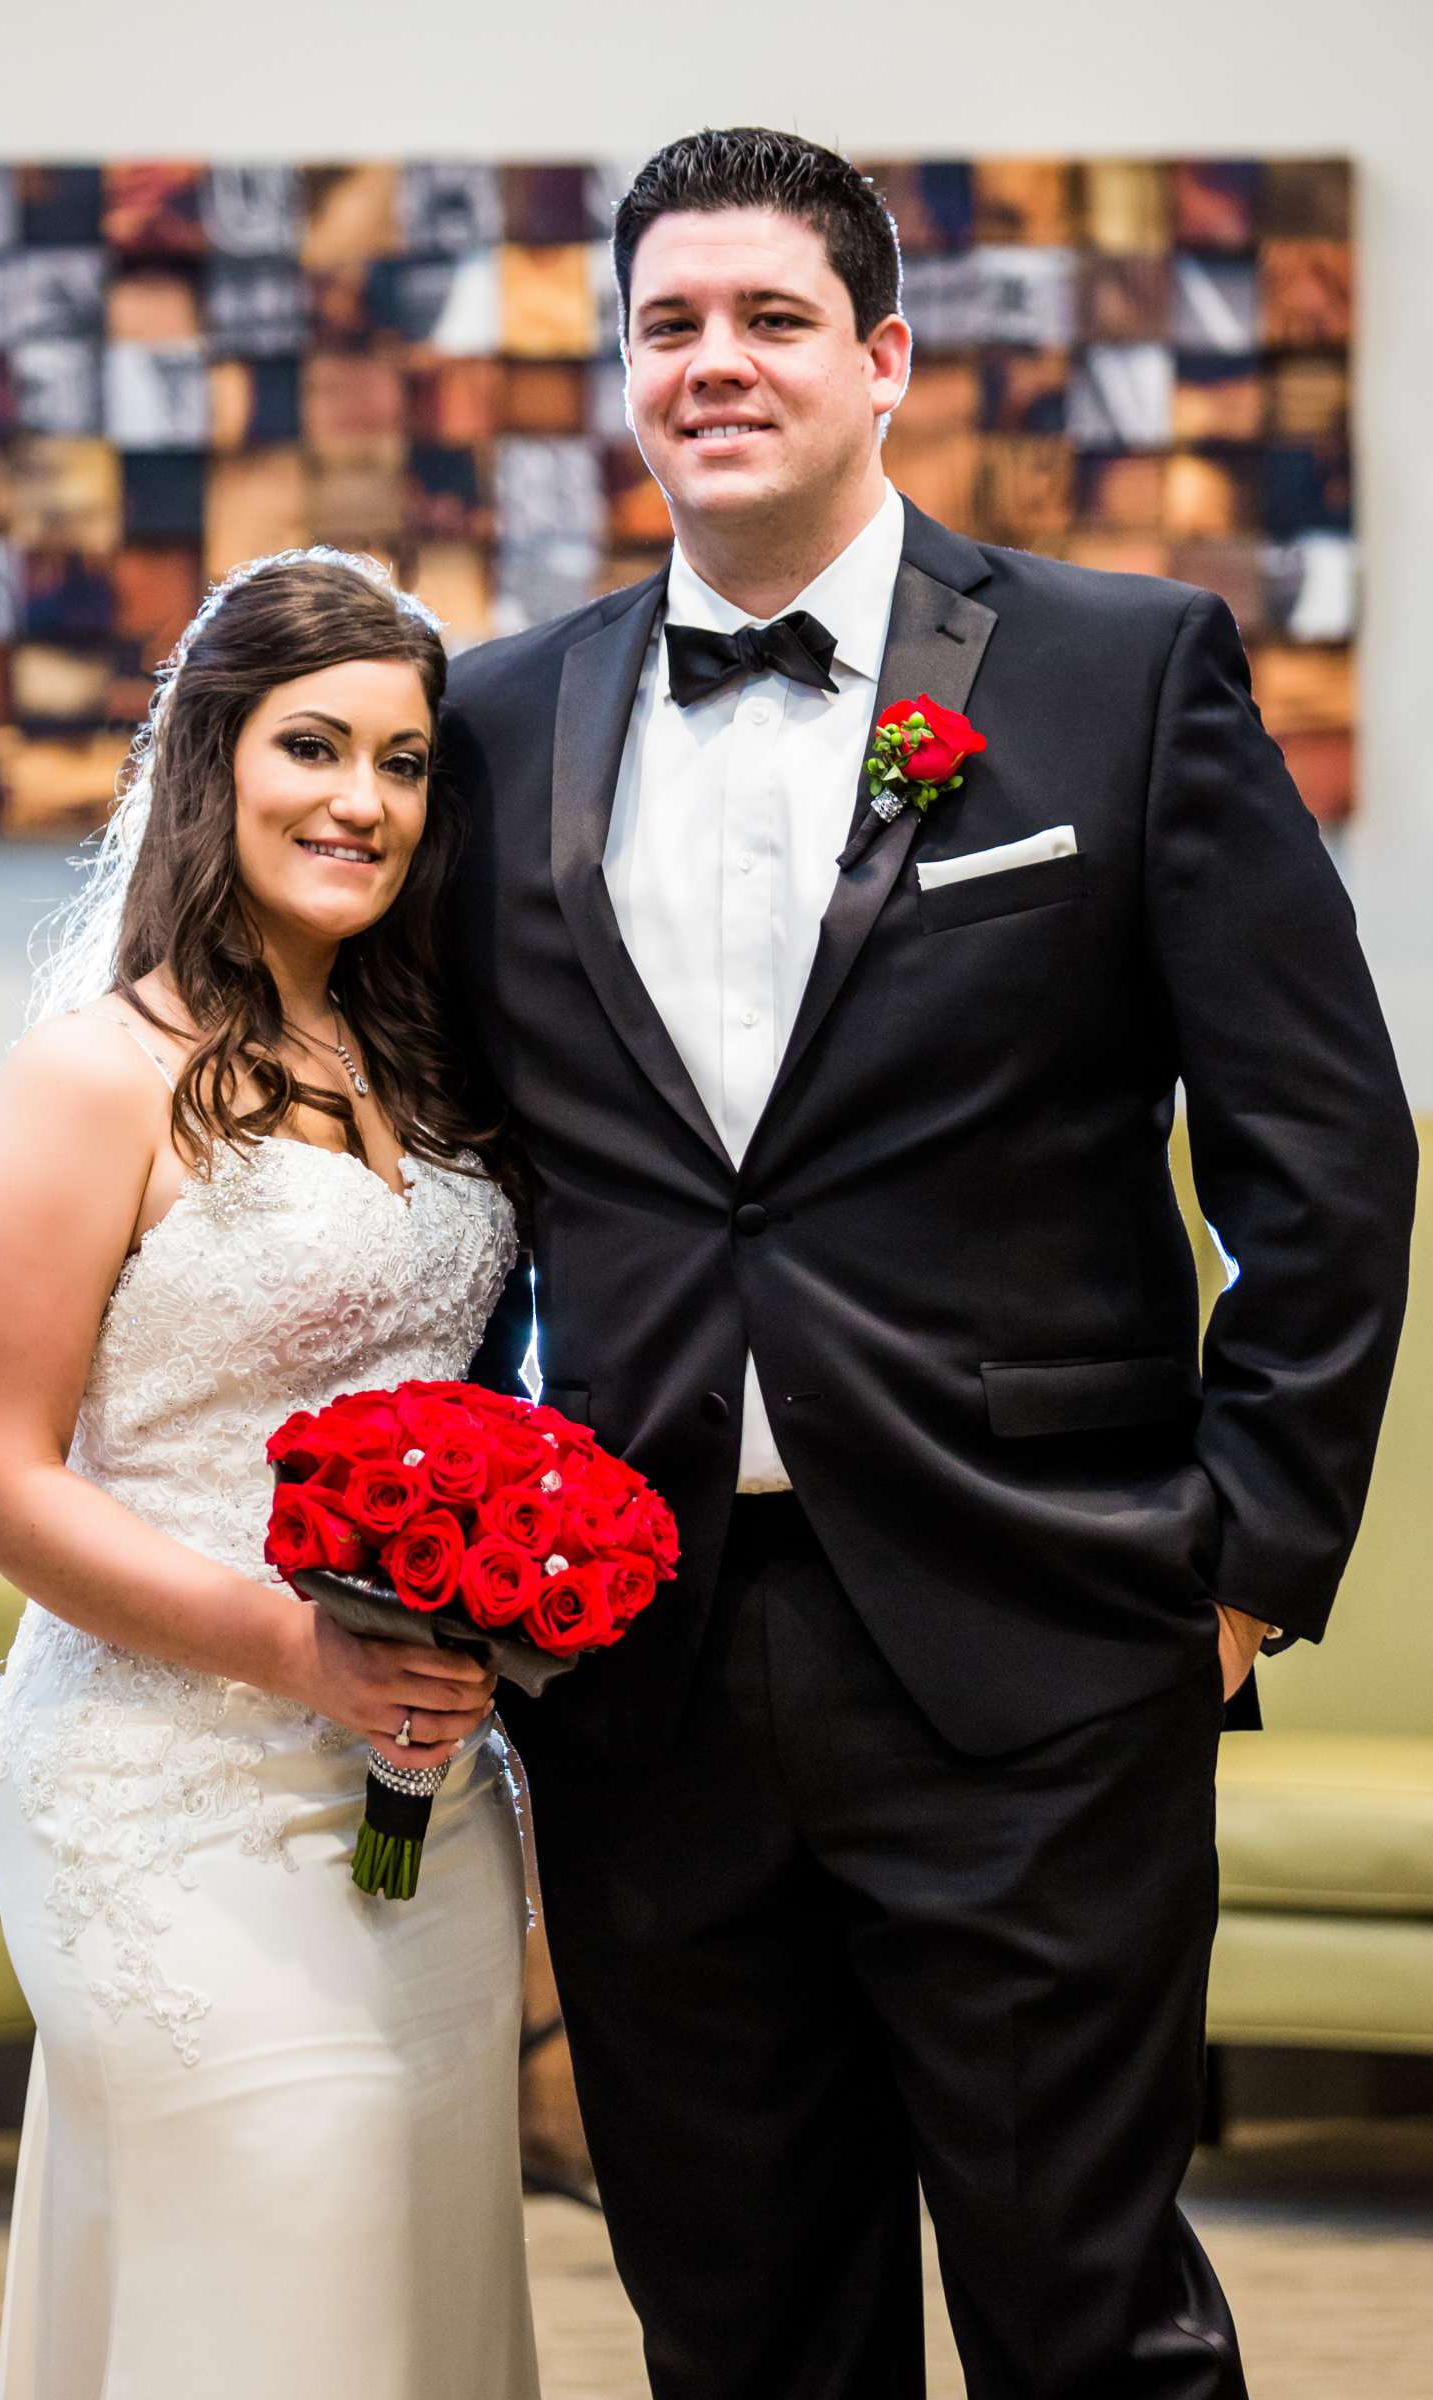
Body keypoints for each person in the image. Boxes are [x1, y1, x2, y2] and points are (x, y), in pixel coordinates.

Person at [442, 129, 1419, 2399]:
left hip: (1036, 1632)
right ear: (621, 371)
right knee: (734, 2321)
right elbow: (476, 1172)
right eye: (667, 324)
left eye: (770, 318)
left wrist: (1245, 1560)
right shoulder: (499, 725)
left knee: (1084, 2316)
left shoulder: (1116, 669)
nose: (713, 363)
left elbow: (1317, 1140)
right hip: (643, 1657)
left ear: (882, 360)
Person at [0, 549, 539, 2400]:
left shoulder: (434, 1071)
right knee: (282, 2277)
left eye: (408, 761)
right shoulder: (93, 1075)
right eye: (313, 746)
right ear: (212, 758)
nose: (363, 800)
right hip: (159, 1785)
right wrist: (293, 1652)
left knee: (406, 2288)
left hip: (419, 1789)